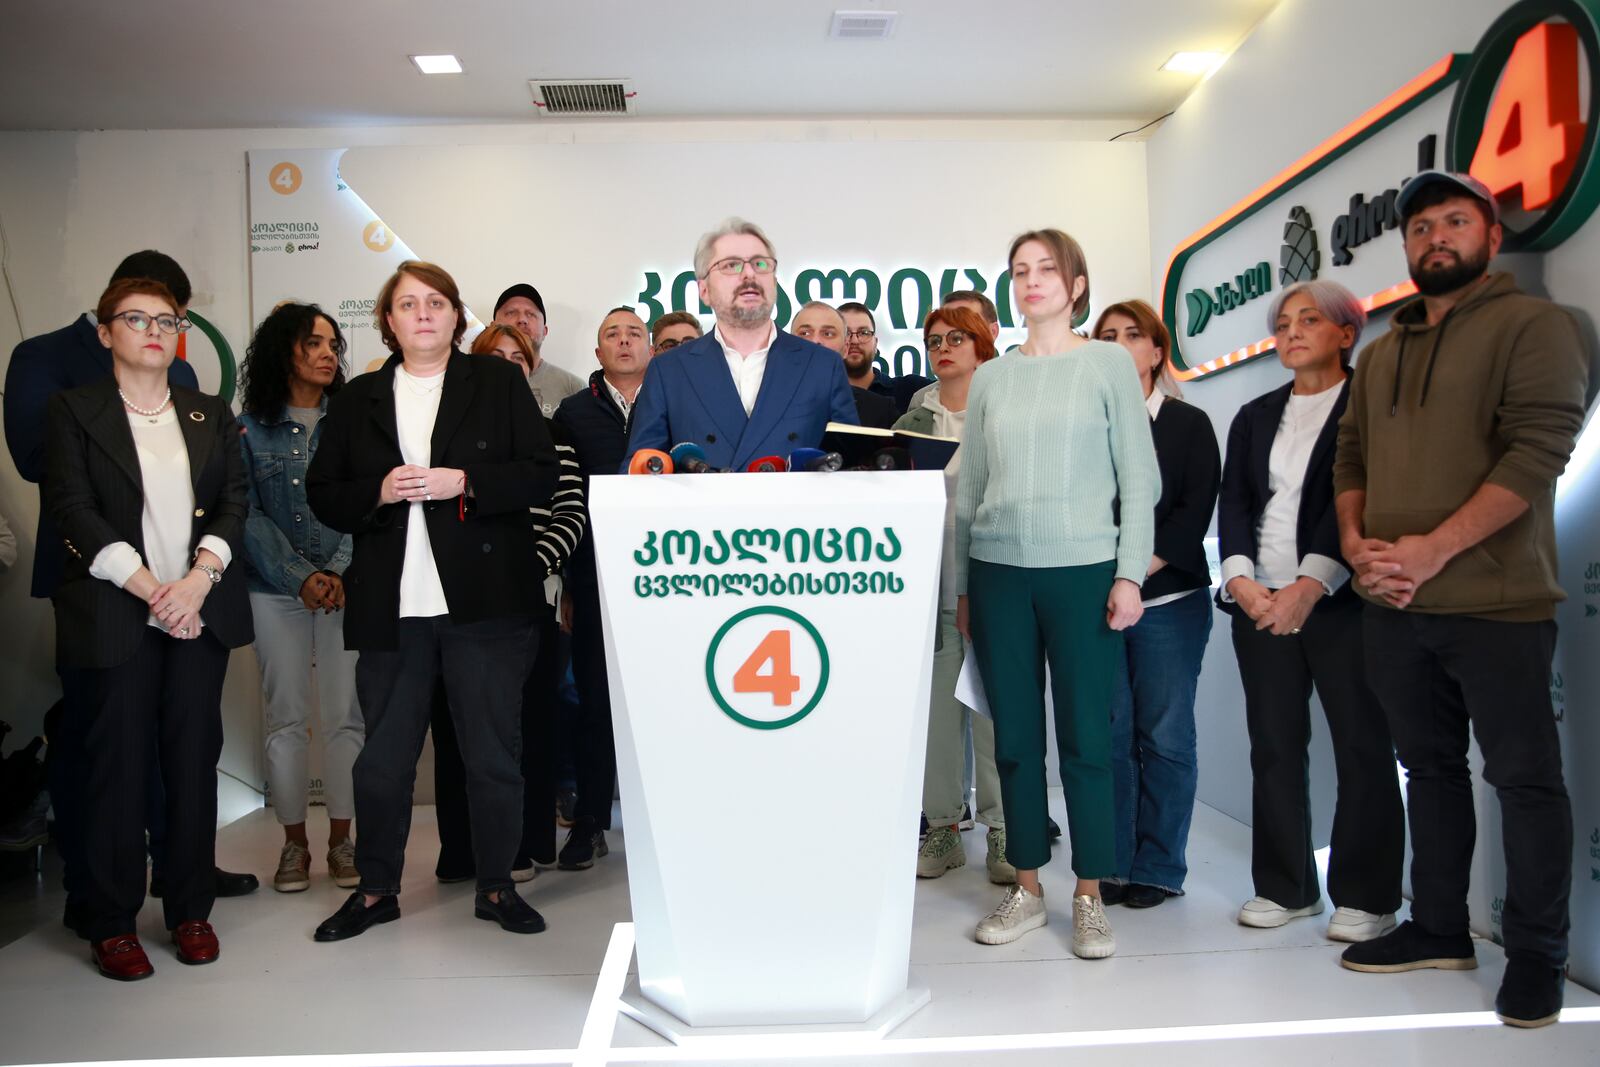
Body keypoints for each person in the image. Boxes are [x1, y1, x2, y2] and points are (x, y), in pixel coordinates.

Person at [1333, 171, 1588, 1029]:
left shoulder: (1533, 325)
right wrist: (1365, 549)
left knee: (1521, 778)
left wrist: (1430, 550)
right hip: (1396, 608)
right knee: (1429, 771)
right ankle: (1440, 926)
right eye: (1419, 227)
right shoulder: (1380, 352)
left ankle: (1539, 956)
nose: (1434, 237)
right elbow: (1351, 462)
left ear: (1489, 232)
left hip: (1497, 603)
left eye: (1454, 221)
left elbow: (1537, 451)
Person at [4, 251, 257, 940]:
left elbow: (232, 502)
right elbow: (71, 505)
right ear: (105, 329)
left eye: (166, 319)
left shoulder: (204, 409)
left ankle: (188, 905)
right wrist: (151, 589)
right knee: (113, 761)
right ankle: (110, 916)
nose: (153, 328)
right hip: (113, 605)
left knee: (191, 757)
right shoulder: (71, 406)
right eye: (136, 317)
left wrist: (197, 582)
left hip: (195, 610)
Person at [306, 261, 560, 942]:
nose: (423, 313)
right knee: (383, 759)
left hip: (486, 604)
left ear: (456, 316)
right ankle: (376, 889)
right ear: (387, 321)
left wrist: (466, 480)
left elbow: (541, 472)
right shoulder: (358, 397)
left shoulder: (499, 381)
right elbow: (323, 492)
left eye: (437, 302)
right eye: (407, 304)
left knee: (491, 754)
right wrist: (379, 492)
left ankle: (498, 884)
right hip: (392, 608)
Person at [954, 229, 1159, 959]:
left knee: (1086, 737)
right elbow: (969, 492)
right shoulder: (992, 379)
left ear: (1075, 284)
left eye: (1047, 269)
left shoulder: (1107, 362)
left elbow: (1140, 476)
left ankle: (1090, 891)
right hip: (998, 571)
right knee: (1013, 737)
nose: (1032, 280)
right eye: (1020, 270)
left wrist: (1129, 571)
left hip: (1083, 571)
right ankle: (1030, 887)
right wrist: (963, 589)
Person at [1219, 280, 1403, 940]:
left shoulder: (1370, 403)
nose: (1291, 331)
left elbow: (1354, 498)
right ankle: (1286, 886)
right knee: (1273, 746)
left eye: (1309, 320)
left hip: (1343, 602)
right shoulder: (1254, 413)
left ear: (1347, 332)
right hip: (1259, 601)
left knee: (1361, 744)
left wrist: (1311, 582)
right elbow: (1235, 502)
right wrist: (1241, 580)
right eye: (1283, 322)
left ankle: (1369, 895)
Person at [427, 324, 586, 881]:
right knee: (456, 731)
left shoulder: (556, 436)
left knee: (528, 727)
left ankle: (521, 847)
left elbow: (571, 514)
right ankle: (462, 854)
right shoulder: (446, 437)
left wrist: (525, 568)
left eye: (519, 358)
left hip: (528, 599)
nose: (509, 366)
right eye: (496, 357)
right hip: (456, 600)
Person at [1092, 299, 1220, 911]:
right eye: (1106, 336)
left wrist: (1130, 574)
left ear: (1156, 351)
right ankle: (1114, 865)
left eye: (1131, 335)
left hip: (1168, 600)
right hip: (1098, 605)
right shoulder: (1086, 427)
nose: (1119, 344)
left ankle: (1161, 868)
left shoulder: (1187, 424)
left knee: (1164, 737)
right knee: (1111, 737)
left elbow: (1190, 515)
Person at [237, 303, 363, 893]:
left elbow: (369, 501)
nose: (327, 352)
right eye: (314, 342)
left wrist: (336, 569)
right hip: (274, 590)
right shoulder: (249, 427)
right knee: (285, 720)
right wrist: (297, 575)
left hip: (346, 586)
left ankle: (342, 840)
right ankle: (294, 845)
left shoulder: (356, 420)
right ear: (283, 350)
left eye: (334, 344)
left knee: (346, 720)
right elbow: (245, 512)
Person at [898, 306, 1008, 882]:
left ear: (984, 345)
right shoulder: (913, 421)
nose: (943, 347)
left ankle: (1003, 832)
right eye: (933, 340)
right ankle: (941, 829)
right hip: (930, 590)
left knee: (995, 715)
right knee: (937, 718)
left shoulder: (1008, 411)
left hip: (995, 585)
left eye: (956, 338)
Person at [623, 218, 859, 471]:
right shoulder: (668, 370)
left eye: (760, 264)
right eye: (731, 265)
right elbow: (641, 469)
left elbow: (852, 466)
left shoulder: (823, 365)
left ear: (775, 282)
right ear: (704, 290)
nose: (749, 274)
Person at [551, 307, 653, 867]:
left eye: (633, 333)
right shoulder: (572, 414)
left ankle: (665, 822)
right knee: (594, 705)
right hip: (594, 581)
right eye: (611, 334)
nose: (623, 341)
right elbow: (567, 502)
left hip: (666, 584)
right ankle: (590, 821)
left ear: (650, 348)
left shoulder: (673, 404)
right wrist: (567, 581)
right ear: (597, 354)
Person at [793, 300, 896, 429]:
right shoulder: (764, 400)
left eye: (828, 333)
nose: (816, 341)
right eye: (805, 333)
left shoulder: (880, 411)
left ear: (845, 348)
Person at [492, 283, 586, 417]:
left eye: (531, 314)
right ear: (492, 327)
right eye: (511, 312)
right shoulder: (472, 381)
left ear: (544, 331)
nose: (522, 320)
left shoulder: (574, 388)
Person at [839, 301, 932, 415]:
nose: (854, 340)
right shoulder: (817, 397)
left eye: (864, 332)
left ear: (876, 343)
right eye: (846, 333)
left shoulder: (911, 390)